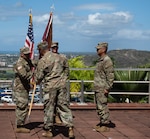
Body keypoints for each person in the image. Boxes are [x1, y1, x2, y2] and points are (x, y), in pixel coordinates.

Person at [34, 41, 74, 138]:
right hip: (62, 85)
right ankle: (70, 128)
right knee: (64, 106)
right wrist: (63, 79)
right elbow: (67, 70)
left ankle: (49, 130)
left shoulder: (43, 61)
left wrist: (35, 81)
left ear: (41, 50)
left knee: (49, 108)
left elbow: (38, 77)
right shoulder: (61, 57)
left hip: (50, 86)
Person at [93, 42, 114, 132]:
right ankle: (102, 123)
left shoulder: (107, 60)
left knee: (103, 106)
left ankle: (105, 125)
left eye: (99, 48)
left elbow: (110, 75)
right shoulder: (101, 60)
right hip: (98, 87)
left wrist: (108, 88)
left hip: (102, 87)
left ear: (104, 49)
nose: (97, 50)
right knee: (99, 106)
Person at [13, 47, 34, 133]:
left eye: (28, 54)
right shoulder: (19, 63)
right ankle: (19, 126)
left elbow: (34, 63)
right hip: (20, 88)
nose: (28, 55)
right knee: (21, 106)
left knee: (24, 105)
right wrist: (33, 73)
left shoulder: (27, 61)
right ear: (22, 54)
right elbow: (24, 75)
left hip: (25, 87)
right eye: (26, 54)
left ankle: (21, 123)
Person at [51, 42, 69, 124]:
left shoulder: (62, 57)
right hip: (50, 83)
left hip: (60, 83)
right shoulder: (48, 58)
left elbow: (66, 70)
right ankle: (51, 118)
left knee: (60, 102)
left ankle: (58, 116)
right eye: (53, 47)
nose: (55, 49)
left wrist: (64, 79)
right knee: (50, 103)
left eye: (56, 47)